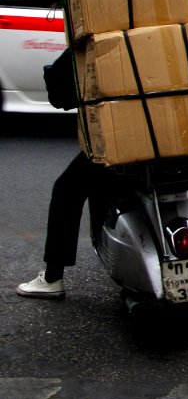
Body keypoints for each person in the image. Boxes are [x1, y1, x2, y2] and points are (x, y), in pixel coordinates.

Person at [17, 49, 119, 299]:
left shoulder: (101, 36)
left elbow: (59, 89)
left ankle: (52, 277)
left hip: (121, 142)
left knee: (66, 189)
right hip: (182, 144)